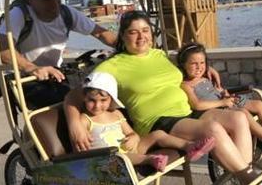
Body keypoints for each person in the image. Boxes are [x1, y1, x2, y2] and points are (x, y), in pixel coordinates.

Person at [64, 11, 261, 185]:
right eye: (133, 32)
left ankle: (244, 176)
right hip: (158, 122)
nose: (141, 36)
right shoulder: (112, 66)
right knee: (212, 130)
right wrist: (75, 124)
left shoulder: (159, 55)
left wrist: (204, 70)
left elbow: (184, 67)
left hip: (188, 112)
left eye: (145, 30)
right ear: (123, 36)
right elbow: (75, 94)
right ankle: (249, 180)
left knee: (239, 118)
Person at [0, 0, 118, 109]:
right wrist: (32, 68)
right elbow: (2, 50)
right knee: (70, 107)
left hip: (55, 74)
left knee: (94, 99)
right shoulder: (19, 14)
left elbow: (101, 34)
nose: (54, 3)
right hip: (25, 77)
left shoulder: (67, 13)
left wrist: (128, 46)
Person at [177, 42, 262, 155]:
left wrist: (223, 93)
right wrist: (222, 101)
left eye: (202, 63)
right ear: (184, 65)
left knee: (258, 104)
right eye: (194, 64)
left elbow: (215, 90)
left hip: (225, 101)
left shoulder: (206, 77)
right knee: (243, 113)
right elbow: (197, 105)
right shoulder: (186, 85)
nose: (199, 67)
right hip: (215, 109)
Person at [76, 70, 216, 172]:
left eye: (103, 100)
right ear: (84, 98)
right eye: (91, 100)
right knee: (120, 156)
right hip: (109, 160)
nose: (97, 105)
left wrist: (133, 138)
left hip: (130, 149)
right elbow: (80, 147)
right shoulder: (85, 120)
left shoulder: (116, 114)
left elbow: (133, 134)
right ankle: (150, 160)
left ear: (111, 99)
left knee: (158, 134)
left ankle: (189, 146)